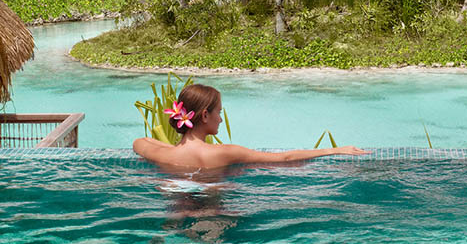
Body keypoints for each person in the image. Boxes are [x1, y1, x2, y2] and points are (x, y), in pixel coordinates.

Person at [133, 83, 369, 170]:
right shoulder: (225, 152)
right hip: (214, 216)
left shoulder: (164, 154)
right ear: (205, 115)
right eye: (219, 113)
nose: (221, 119)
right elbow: (285, 159)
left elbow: (139, 143)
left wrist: (173, 146)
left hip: (177, 215)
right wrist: (334, 149)